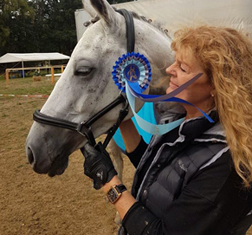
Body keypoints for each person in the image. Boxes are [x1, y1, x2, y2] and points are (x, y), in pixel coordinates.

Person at [82, 25, 252, 235]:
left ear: (216, 86)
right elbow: (157, 167)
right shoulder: (181, 118)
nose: (170, 69)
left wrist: (109, 181)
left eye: (182, 68)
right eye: (175, 62)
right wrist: (124, 118)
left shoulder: (229, 164)